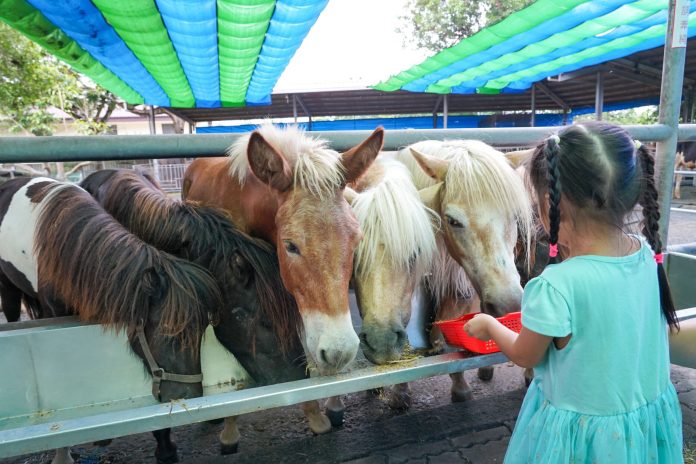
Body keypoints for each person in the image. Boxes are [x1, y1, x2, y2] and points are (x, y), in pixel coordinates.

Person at [464, 122, 683, 463]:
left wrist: (488, 325)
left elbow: (525, 356)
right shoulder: (645, 254)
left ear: (550, 202)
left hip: (584, 442)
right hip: (638, 429)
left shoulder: (556, 286)